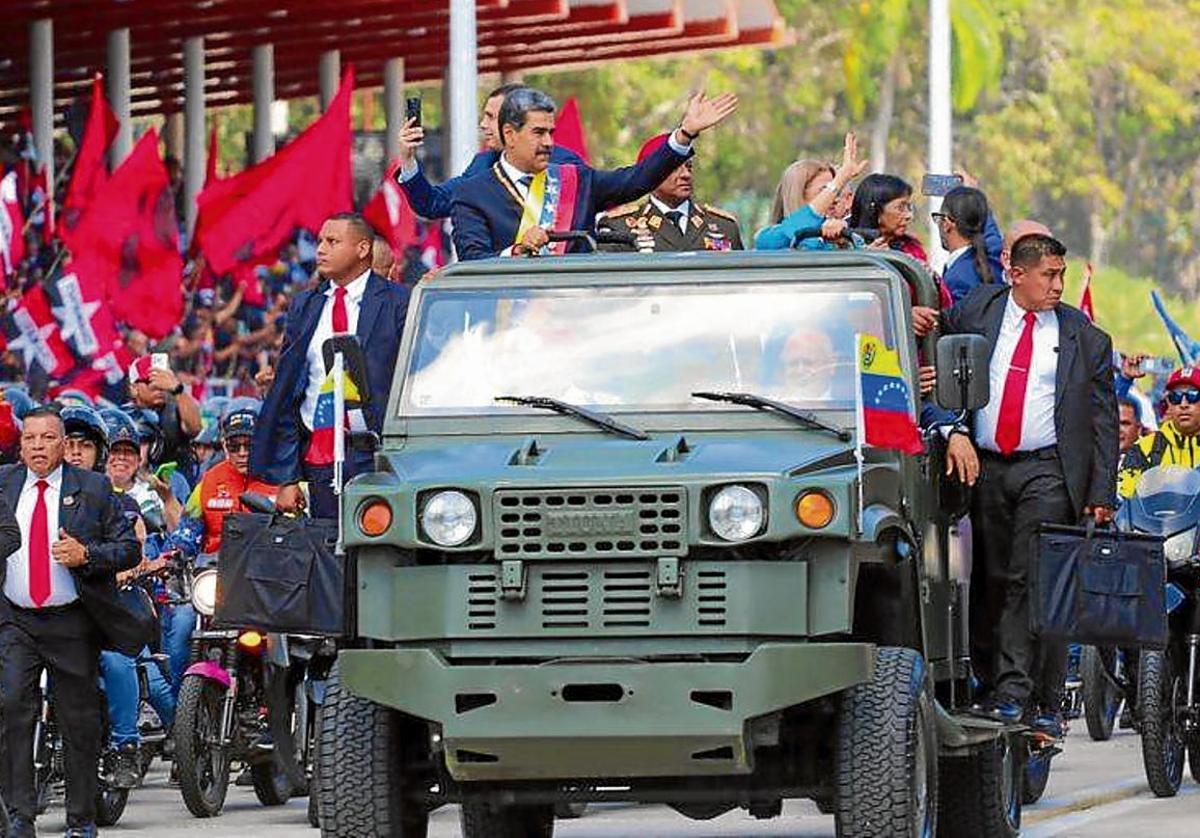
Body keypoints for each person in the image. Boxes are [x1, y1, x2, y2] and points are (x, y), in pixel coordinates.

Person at [943, 234, 1118, 734]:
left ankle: (1015, 691)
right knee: (991, 579)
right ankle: (990, 680)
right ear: (1016, 273)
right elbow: (933, 338)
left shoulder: (1084, 338)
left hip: (1050, 470)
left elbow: (1103, 423)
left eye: (1062, 275)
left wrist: (1100, 494)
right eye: (1049, 275)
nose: (1058, 285)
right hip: (988, 467)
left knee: (1028, 577)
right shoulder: (979, 311)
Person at [0, 407, 140, 838]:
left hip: (72, 622)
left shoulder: (94, 488)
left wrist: (88, 555)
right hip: (15, 620)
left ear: (64, 445)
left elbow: (127, 550)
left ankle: (81, 820)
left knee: (79, 720)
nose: (38, 447)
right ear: (20, 444)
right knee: (11, 710)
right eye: (30, 439)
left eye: (47, 439)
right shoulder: (4, 483)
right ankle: (19, 816)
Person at [451, 87, 738, 261]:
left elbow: (638, 179)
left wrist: (684, 135)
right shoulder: (472, 193)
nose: (550, 142)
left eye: (551, 132)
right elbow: (472, 263)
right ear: (510, 134)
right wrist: (518, 250)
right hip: (508, 336)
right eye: (538, 133)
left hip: (575, 331)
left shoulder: (577, 180)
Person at [250, 213, 410, 518]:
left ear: (362, 249)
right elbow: (288, 389)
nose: (320, 249)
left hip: (380, 455)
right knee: (327, 554)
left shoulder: (399, 301)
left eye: (332, 242)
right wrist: (288, 477)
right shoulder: (305, 305)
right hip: (319, 455)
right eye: (320, 240)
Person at [394, 82, 586, 221]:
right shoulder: (482, 164)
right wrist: (407, 159)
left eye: (491, 117)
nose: (483, 125)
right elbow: (432, 204)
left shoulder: (565, 163)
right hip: (498, 271)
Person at [596, 134, 743, 252]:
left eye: (689, 166)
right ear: (649, 174)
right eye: (674, 168)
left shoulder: (723, 226)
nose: (686, 174)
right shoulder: (620, 227)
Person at [754, 133, 869, 251]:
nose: (834, 199)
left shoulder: (837, 239)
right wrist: (840, 179)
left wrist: (844, 242)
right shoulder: (769, 237)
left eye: (836, 192)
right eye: (825, 190)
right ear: (798, 195)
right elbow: (792, 234)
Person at [185, 409, 278, 555]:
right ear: (225, 447)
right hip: (215, 567)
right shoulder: (209, 480)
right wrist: (174, 551)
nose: (242, 453)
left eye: (249, 446)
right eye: (234, 447)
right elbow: (187, 529)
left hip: (266, 563)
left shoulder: (283, 480)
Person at [1117, 367, 1200, 498]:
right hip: (1157, 518)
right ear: (1168, 403)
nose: (1183, 404)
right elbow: (1124, 500)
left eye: (1193, 396)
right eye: (1176, 397)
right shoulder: (1144, 447)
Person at [127, 354, 202, 487]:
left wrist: (177, 389)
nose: (159, 387)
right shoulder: (123, 418)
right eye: (151, 381)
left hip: (177, 488)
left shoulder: (176, 409)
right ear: (134, 389)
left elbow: (195, 427)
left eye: (163, 380)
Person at [934, 184, 1004, 303]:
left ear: (946, 224)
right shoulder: (996, 259)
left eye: (938, 218)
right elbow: (992, 234)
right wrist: (973, 199)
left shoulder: (956, 280)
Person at [849, 173, 927, 264]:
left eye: (908, 207)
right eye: (900, 208)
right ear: (875, 211)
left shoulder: (911, 248)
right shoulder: (844, 246)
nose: (909, 216)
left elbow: (930, 277)